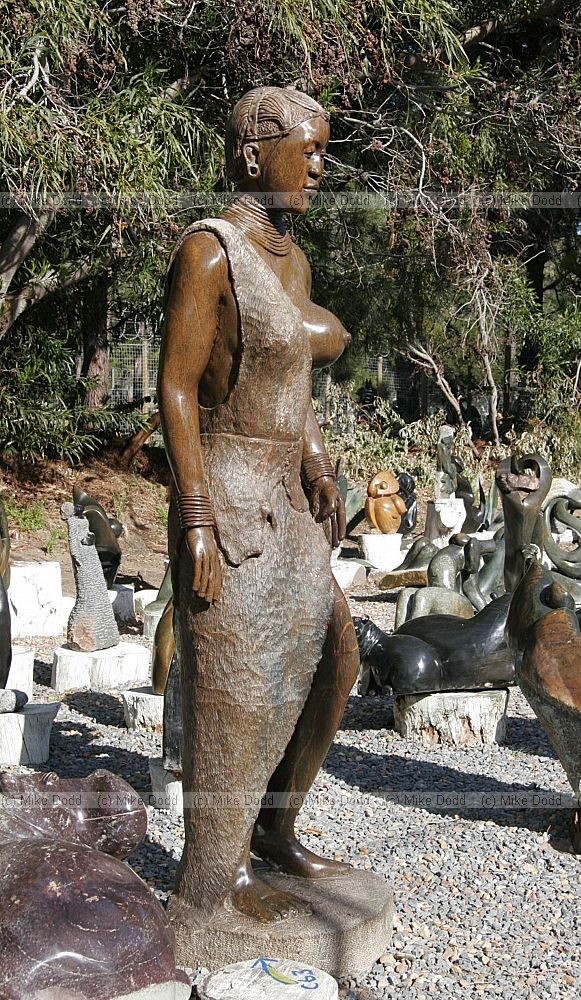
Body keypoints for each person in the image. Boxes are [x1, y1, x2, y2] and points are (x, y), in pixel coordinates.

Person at [158, 86, 360, 924]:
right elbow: (173, 388)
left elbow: (296, 385)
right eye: (306, 151)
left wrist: (316, 462)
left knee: (336, 657)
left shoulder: (291, 259)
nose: (320, 166)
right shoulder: (210, 251)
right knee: (237, 693)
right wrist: (195, 517)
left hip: (285, 492)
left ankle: (275, 829)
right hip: (229, 494)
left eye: (322, 150)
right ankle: (215, 876)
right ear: (253, 153)